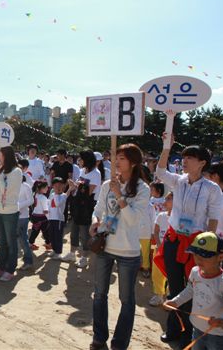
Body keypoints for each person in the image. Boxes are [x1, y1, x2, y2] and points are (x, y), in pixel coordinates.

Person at [155, 133, 222, 347]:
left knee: (194, 288)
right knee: (174, 286)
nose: (184, 161)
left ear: (202, 163)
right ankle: (174, 328)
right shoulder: (178, 181)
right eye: (183, 157)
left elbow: (213, 218)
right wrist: (167, 146)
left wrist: (208, 248)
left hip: (196, 244)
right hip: (174, 240)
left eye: (190, 158)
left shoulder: (212, 188)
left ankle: (190, 332)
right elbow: (159, 171)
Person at [90, 144, 150, 350]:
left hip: (128, 251)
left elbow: (133, 220)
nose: (116, 161)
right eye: (116, 157)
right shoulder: (108, 184)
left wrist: (120, 195)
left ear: (133, 162)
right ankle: (99, 338)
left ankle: (119, 343)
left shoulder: (143, 188)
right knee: (99, 294)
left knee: (126, 300)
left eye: (122, 158)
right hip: (105, 247)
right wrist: (94, 221)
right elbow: (97, 209)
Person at [164, 232, 223, 350]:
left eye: (204, 256)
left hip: (218, 336)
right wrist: (175, 302)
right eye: (196, 254)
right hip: (197, 329)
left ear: (220, 257)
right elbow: (190, 290)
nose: (198, 259)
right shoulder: (195, 271)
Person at [0, 145, 22, 282]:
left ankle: (10, 269)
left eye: (0, 155)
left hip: (10, 212)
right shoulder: (1, 171)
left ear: (6, 156)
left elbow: (6, 190)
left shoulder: (16, 172)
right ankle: (0, 267)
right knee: (2, 242)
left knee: (11, 242)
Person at [62, 150, 101, 268]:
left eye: (81, 159)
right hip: (77, 203)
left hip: (87, 206)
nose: (79, 161)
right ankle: (72, 253)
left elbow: (88, 192)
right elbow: (79, 187)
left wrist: (76, 186)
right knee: (74, 230)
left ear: (87, 160)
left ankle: (84, 257)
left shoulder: (96, 173)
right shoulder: (83, 171)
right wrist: (73, 185)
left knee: (85, 233)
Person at [149, 192, 173, 307]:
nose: (165, 201)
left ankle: (170, 296)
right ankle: (158, 295)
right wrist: (159, 245)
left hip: (172, 251)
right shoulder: (161, 216)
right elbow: (156, 231)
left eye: (168, 199)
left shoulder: (179, 218)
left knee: (172, 274)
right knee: (157, 272)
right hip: (160, 249)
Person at [47, 177, 71, 260]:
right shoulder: (52, 194)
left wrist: (58, 193)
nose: (58, 187)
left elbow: (57, 204)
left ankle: (58, 252)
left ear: (63, 186)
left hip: (59, 219)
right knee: (52, 235)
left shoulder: (63, 196)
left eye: (60, 185)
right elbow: (49, 204)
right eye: (56, 185)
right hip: (51, 218)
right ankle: (54, 249)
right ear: (53, 186)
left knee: (58, 236)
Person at [17, 175, 35, 270]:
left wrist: (18, 206)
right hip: (11, 215)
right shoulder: (10, 185)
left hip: (22, 217)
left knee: (23, 239)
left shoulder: (25, 186)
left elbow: (31, 200)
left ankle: (28, 261)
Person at [28, 180, 50, 250]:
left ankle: (47, 243)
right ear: (42, 188)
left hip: (35, 215)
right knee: (44, 231)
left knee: (36, 231)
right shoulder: (43, 197)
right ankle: (48, 243)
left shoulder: (36, 194)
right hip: (42, 217)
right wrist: (49, 217)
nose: (47, 189)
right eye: (46, 187)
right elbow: (45, 210)